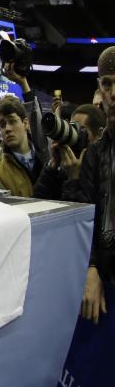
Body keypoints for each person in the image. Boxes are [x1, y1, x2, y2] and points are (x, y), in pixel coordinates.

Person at [76, 48, 115, 323]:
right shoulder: (94, 153)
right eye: (107, 84)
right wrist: (90, 268)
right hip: (107, 279)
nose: (113, 92)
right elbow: (87, 216)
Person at [34, 104, 104, 200]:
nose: (76, 134)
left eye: (82, 130)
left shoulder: (105, 170)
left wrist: (73, 179)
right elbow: (39, 202)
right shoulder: (67, 166)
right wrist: (52, 167)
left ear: (100, 134)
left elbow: (83, 213)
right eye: (73, 128)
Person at [0, 97, 44, 197]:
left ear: (25, 123)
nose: (7, 129)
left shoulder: (46, 155)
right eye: (3, 125)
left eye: (12, 121)